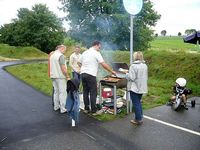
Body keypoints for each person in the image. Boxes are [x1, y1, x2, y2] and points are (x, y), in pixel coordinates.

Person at [79, 41, 116, 116]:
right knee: (93, 92)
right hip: (90, 74)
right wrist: (112, 71)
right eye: (99, 47)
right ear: (96, 45)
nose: (100, 48)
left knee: (85, 91)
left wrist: (84, 68)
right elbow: (103, 64)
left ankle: (86, 108)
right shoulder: (96, 53)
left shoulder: (85, 52)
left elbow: (79, 62)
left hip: (83, 74)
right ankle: (94, 110)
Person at [125, 51, 148, 125]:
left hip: (134, 87)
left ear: (135, 57)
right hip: (142, 87)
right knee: (138, 102)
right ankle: (140, 116)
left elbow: (132, 78)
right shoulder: (144, 65)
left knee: (136, 103)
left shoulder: (133, 66)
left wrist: (126, 74)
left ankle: (138, 119)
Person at [50, 45, 71, 113]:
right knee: (62, 93)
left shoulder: (52, 55)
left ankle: (56, 106)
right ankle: (63, 108)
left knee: (56, 92)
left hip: (53, 76)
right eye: (64, 50)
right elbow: (63, 68)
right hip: (60, 76)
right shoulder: (60, 56)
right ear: (61, 48)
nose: (64, 52)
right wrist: (67, 76)